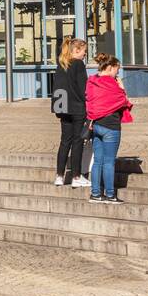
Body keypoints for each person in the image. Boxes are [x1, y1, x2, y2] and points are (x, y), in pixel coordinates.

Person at [85, 54, 132, 204]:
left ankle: (95, 194)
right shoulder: (112, 84)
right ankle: (110, 195)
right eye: (117, 70)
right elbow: (124, 101)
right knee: (109, 162)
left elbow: (90, 102)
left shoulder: (92, 81)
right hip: (110, 127)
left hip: (96, 125)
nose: (117, 74)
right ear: (110, 67)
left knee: (98, 161)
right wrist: (122, 87)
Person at [52, 38, 90, 188]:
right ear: (76, 50)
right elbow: (83, 88)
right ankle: (76, 176)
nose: (85, 54)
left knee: (64, 142)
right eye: (84, 51)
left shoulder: (61, 64)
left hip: (63, 108)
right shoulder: (78, 64)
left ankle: (59, 176)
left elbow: (57, 87)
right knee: (77, 142)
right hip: (77, 108)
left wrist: (58, 108)